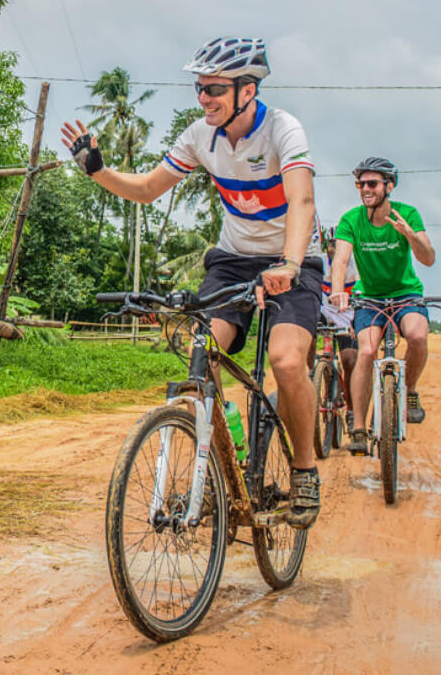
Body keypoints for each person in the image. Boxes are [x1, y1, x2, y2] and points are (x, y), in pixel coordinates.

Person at [60, 37, 324, 529]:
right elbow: (146, 189)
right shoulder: (199, 136)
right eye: (199, 88)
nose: (204, 98)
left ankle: (305, 471)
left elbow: (302, 203)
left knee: (287, 361)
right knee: (202, 354)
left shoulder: (283, 129)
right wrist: (96, 170)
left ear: (248, 89)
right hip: (234, 260)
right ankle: (229, 456)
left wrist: (288, 264)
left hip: (294, 258)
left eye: (214, 89)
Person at [329, 157, 436, 452]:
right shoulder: (351, 219)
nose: (365, 188)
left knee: (416, 336)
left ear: (389, 186)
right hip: (369, 297)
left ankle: (411, 390)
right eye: (360, 183)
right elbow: (340, 260)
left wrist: (410, 236)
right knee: (365, 351)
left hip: (406, 294)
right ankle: (360, 429)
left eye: (372, 183)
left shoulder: (408, 214)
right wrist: (339, 291)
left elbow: (428, 258)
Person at [319, 227, 359, 432]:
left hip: (347, 315)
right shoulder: (319, 262)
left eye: (338, 244)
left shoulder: (356, 265)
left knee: (350, 360)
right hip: (324, 312)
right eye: (331, 244)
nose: (334, 248)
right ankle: (313, 379)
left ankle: (352, 410)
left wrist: (355, 324)